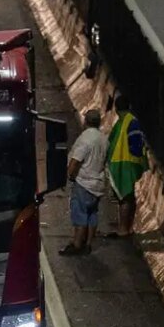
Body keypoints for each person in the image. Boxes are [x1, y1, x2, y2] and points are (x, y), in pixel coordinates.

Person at [59, 109, 108, 256]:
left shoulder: (85, 139)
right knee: (92, 214)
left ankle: (77, 244)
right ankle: (88, 244)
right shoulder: (104, 139)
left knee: (79, 213)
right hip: (98, 183)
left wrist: (68, 177)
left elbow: (75, 161)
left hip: (84, 183)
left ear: (85, 122)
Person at [106, 94, 149, 238]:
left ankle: (123, 229)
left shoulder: (123, 122)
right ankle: (127, 228)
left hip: (122, 164)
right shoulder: (130, 121)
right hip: (128, 163)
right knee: (128, 196)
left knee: (125, 197)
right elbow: (137, 144)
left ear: (116, 109)